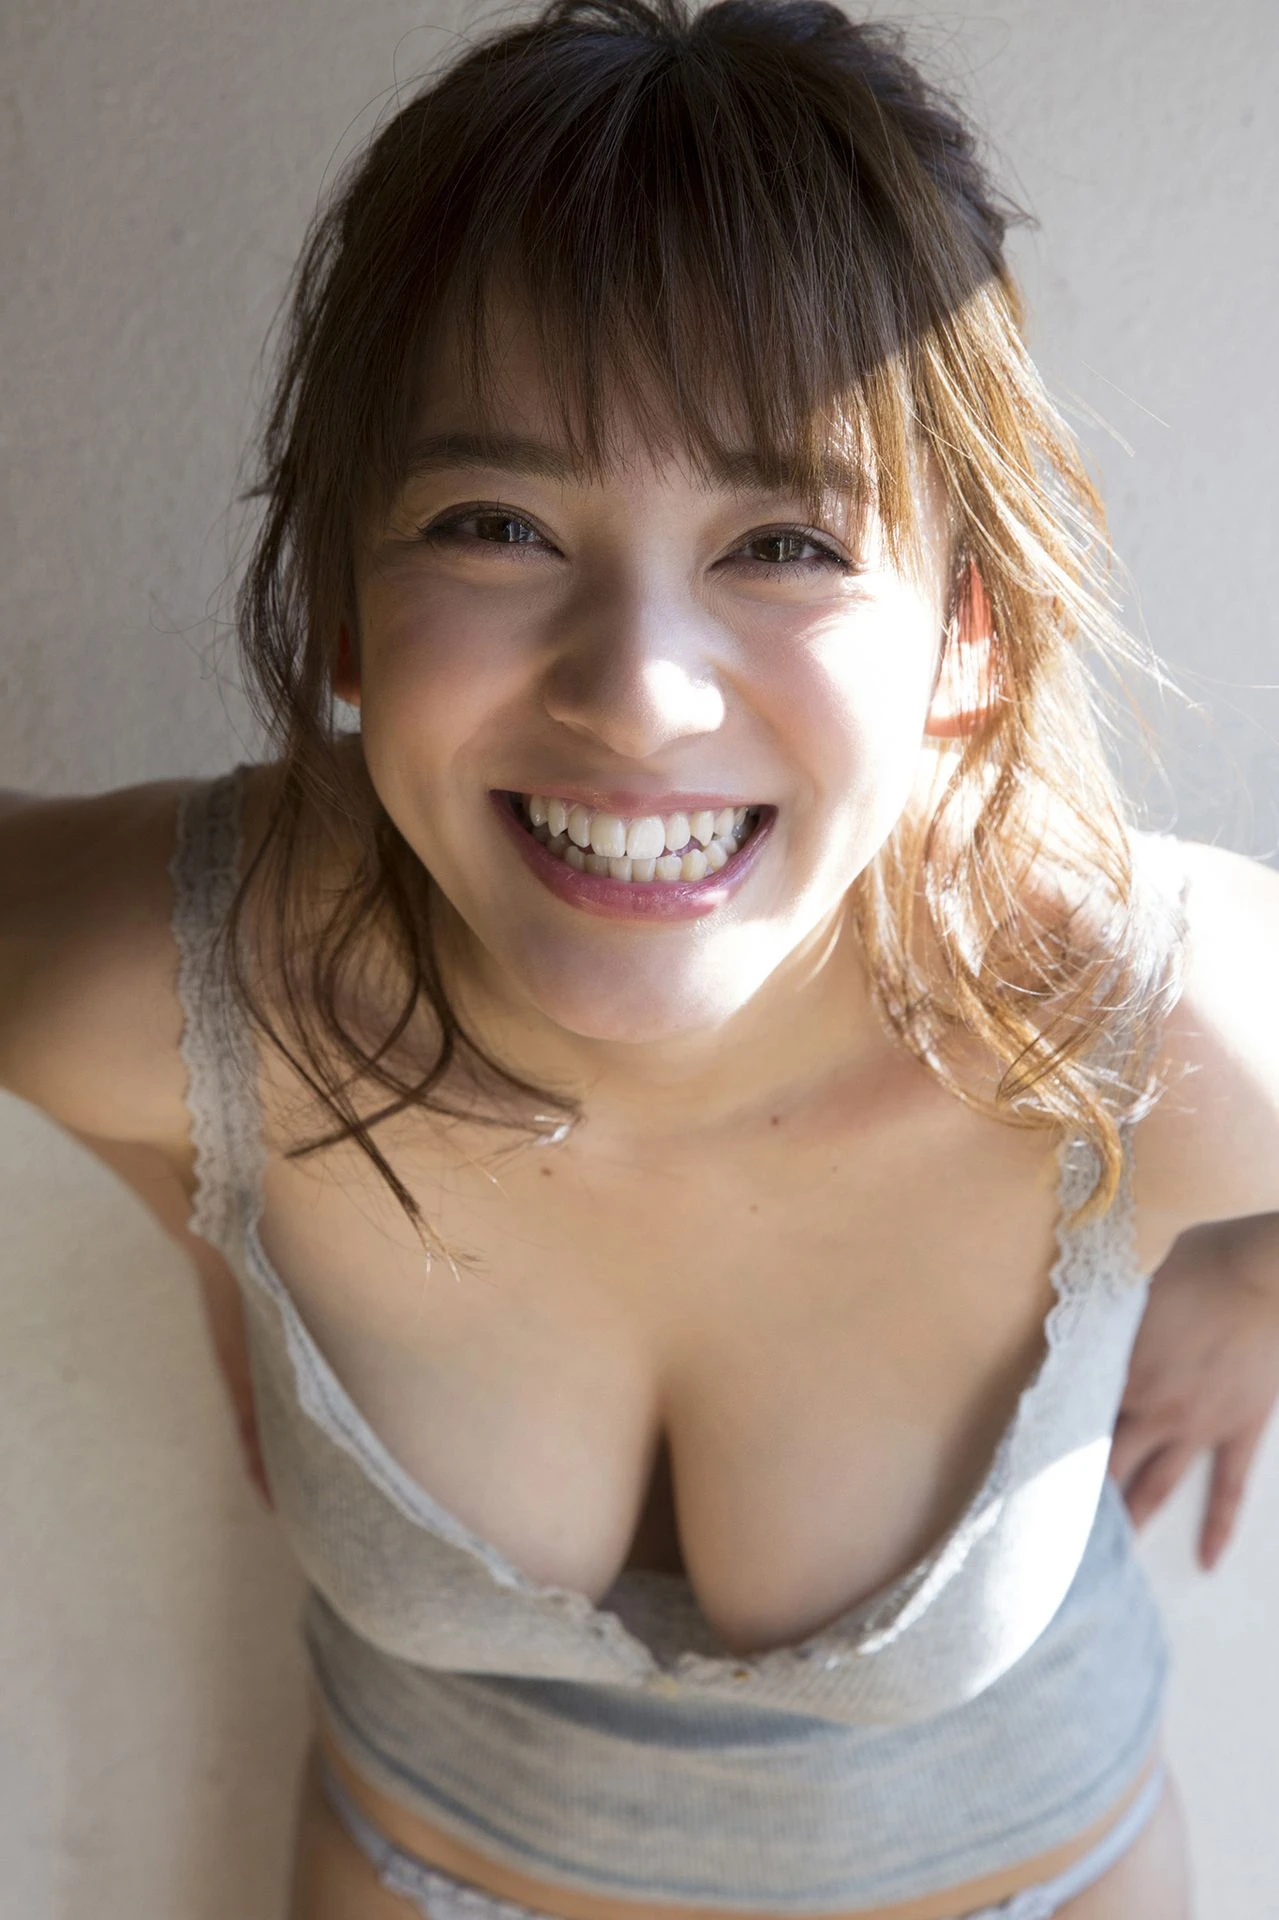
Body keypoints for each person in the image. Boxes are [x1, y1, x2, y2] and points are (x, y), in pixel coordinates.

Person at [4, 2, 1279, 1915]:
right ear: (343, 605)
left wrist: (1256, 1282)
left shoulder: (1137, 1036)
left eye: (783, 544)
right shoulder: (183, 996)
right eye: (495, 524)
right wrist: (206, 1204)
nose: (637, 694)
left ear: (968, 632)